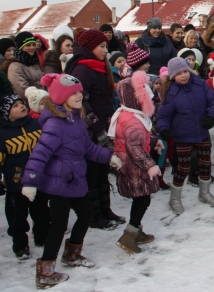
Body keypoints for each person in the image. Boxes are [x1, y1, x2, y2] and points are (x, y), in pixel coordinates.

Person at [22, 73, 123, 288]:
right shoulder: (54, 126)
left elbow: (87, 147)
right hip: (60, 183)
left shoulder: (75, 119)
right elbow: (39, 154)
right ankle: (45, 272)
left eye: (80, 91)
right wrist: (29, 182)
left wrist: (109, 157)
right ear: (60, 97)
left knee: (86, 213)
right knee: (58, 226)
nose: (80, 95)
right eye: (74, 93)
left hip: (74, 180)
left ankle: (72, 253)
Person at [65, 29, 124, 230]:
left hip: (103, 126)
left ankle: (105, 210)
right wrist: (98, 128)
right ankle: (93, 215)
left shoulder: (97, 67)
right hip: (89, 131)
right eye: (101, 46)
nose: (105, 51)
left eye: (106, 46)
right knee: (92, 172)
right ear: (90, 47)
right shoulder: (81, 70)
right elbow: (81, 104)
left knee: (102, 171)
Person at [0, 94, 51, 260]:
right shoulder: (3, 136)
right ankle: (20, 244)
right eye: (15, 106)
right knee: (17, 217)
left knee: (42, 212)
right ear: (6, 114)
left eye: (21, 103)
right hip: (16, 185)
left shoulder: (37, 126)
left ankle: (42, 237)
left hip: (40, 181)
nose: (21, 106)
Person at [157, 57, 214, 214]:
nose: (184, 75)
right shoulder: (171, 92)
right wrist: (163, 128)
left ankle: (204, 193)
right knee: (183, 167)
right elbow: (163, 115)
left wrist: (212, 116)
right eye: (179, 73)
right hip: (182, 135)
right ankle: (175, 198)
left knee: (205, 164)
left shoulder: (200, 85)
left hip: (202, 132)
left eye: (185, 71)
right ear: (172, 76)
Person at [109, 71, 161, 254]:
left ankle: (137, 232)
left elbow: (140, 138)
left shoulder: (127, 114)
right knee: (143, 199)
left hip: (129, 164)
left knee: (141, 198)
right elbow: (134, 148)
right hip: (135, 166)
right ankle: (129, 236)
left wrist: (154, 141)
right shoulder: (133, 121)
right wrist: (151, 165)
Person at [7, 32, 45, 107]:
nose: (32, 47)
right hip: (28, 105)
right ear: (21, 47)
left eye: (33, 45)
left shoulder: (34, 62)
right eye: (28, 45)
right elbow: (23, 90)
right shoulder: (15, 66)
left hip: (42, 103)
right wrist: (42, 97)